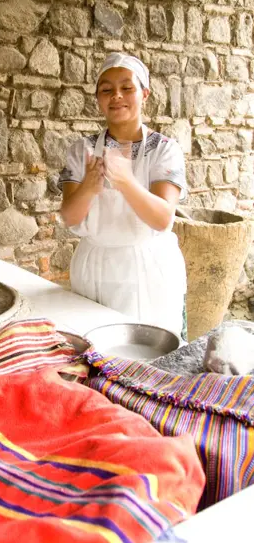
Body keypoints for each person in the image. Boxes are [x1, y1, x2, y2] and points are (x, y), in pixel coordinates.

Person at [59, 52, 187, 337]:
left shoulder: (165, 149)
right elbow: (69, 216)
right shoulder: (83, 151)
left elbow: (162, 219)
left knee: (146, 355)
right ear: (98, 99)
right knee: (95, 351)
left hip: (147, 269)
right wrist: (91, 186)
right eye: (106, 89)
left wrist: (127, 181)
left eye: (127, 87)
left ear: (144, 94)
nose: (116, 95)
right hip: (95, 266)